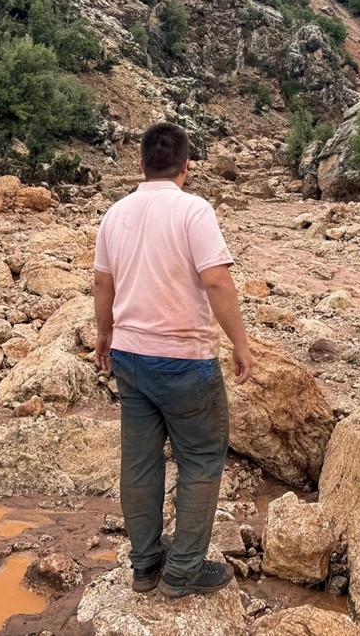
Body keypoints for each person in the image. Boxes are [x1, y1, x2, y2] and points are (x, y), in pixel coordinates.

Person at [93, 123, 254, 599]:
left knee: (140, 463)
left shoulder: (115, 213)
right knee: (201, 459)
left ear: (140, 164)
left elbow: (104, 284)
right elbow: (218, 282)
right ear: (186, 166)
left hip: (130, 355)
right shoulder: (193, 210)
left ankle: (145, 566)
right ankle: (183, 569)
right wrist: (240, 344)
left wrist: (104, 336)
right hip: (185, 360)